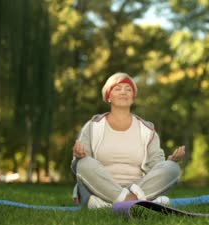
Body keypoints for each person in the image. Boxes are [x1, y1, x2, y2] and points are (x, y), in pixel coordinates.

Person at [71, 72, 185, 209]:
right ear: (108, 96)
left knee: (172, 168)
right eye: (117, 89)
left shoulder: (147, 130)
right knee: (84, 163)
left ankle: (113, 204)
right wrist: (79, 157)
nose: (123, 92)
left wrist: (171, 161)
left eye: (128, 89)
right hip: (101, 189)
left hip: (139, 187)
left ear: (133, 97)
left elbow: (156, 166)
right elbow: (80, 168)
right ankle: (139, 203)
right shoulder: (93, 126)